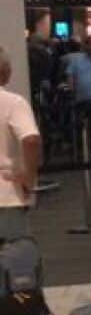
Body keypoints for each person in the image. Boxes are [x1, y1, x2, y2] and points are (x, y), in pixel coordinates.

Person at [0, 48, 41, 241]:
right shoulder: (13, 102)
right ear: (5, 71)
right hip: (5, 193)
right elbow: (30, 139)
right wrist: (28, 177)